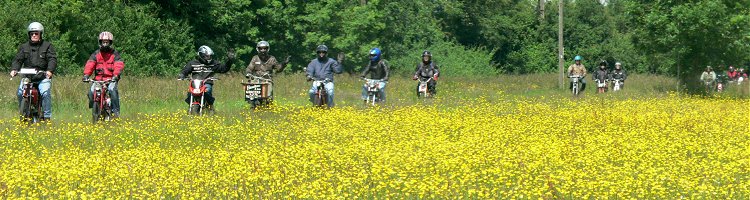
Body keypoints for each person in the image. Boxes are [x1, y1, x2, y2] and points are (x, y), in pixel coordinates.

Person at [10, 22, 57, 122]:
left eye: (36, 33)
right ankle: (23, 112)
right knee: (19, 93)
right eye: (32, 33)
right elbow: (18, 59)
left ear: (40, 34)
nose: (34, 35)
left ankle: (47, 117)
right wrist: (14, 69)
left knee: (45, 93)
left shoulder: (47, 46)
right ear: (29, 34)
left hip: (42, 77)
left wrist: (49, 71)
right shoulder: (24, 47)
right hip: (28, 77)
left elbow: (52, 59)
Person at [178, 45, 235, 112]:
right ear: (201, 55)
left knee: (207, 91)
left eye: (210, 56)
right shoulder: (193, 63)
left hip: (206, 83)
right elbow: (185, 70)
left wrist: (229, 61)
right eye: (207, 56)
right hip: (195, 84)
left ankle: (210, 106)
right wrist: (182, 75)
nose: (209, 57)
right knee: (190, 93)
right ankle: (190, 106)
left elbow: (224, 69)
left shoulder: (214, 63)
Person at [82, 32, 124, 118]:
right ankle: (94, 106)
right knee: (91, 91)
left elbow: (118, 65)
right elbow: (90, 64)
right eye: (103, 42)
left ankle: (115, 112)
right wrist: (86, 75)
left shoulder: (115, 54)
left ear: (110, 43)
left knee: (112, 90)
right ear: (100, 42)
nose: (105, 44)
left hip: (110, 79)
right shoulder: (96, 54)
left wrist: (116, 75)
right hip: (98, 80)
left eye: (107, 42)